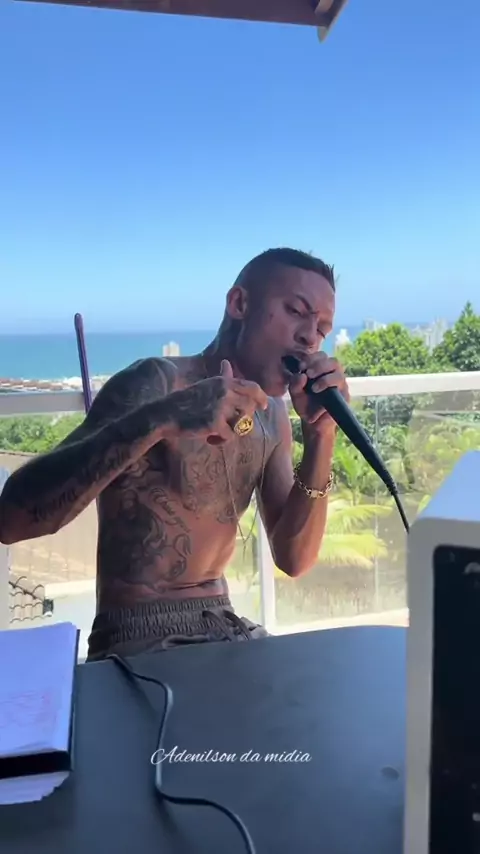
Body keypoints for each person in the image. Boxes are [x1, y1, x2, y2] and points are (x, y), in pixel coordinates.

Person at [0, 248, 349, 659]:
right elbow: (11, 521)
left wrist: (322, 435)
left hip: (224, 624)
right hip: (138, 636)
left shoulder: (272, 416)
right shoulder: (155, 382)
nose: (310, 337)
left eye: (322, 328)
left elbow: (294, 559)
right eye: (295, 311)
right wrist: (163, 418)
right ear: (239, 304)